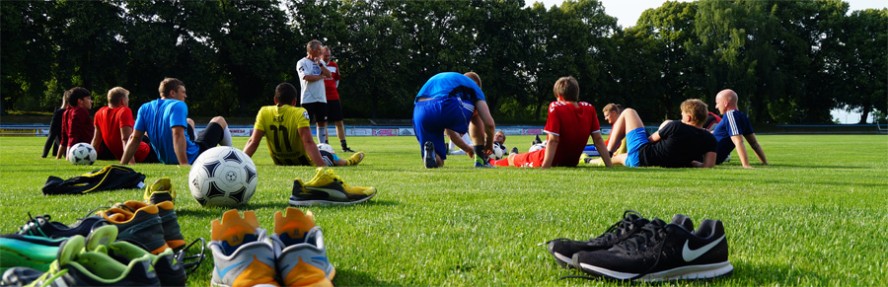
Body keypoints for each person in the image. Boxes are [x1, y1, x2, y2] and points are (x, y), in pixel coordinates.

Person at [491, 76, 612, 168]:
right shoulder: (589, 108)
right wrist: (609, 165)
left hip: (549, 159)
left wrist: (545, 167)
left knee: (513, 159)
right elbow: (598, 140)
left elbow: (553, 140)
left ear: (559, 96)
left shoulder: (556, 107)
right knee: (535, 149)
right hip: (572, 161)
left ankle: (492, 162)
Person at [243, 83, 363, 167]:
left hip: (279, 161)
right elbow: (308, 142)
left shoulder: (264, 112)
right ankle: (348, 162)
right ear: (294, 102)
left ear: (275, 100)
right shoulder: (300, 112)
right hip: (301, 160)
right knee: (325, 151)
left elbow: (253, 142)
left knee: (320, 147)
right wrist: (322, 168)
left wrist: (240, 160)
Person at [120, 78, 233, 165]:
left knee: (189, 122)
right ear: (172, 93)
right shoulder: (178, 105)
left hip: (165, 160)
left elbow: (134, 138)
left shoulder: (145, 107)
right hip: (194, 157)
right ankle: (234, 157)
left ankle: (192, 141)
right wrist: (184, 164)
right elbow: (177, 134)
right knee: (219, 120)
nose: (185, 95)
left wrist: (123, 164)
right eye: (182, 92)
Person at [413, 71, 496, 168]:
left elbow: (450, 132)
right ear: (477, 84)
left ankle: (432, 156)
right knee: (476, 111)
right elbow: (489, 124)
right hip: (446, 104)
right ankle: (480, 160)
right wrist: (489, 145)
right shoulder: (475, 88)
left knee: (439, 162)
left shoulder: (449, 81)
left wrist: (468, 149)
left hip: (419, 110)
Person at [606, 99, 717, 168]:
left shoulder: (675, 126)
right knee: (621, 158)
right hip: (644, 161)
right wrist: (695, 163)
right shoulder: (709, 139)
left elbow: (650, 140)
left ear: (688, 117)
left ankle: (608, 152)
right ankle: (594, 160)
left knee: (628, 112)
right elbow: (708, 165)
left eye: (682, 115)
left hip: (642, 157)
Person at [91, 87, 155, 163]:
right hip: (142, 153)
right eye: (127, 99)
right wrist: (130, 162)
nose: (128, 101)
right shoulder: (124, 111)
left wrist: (90, 158)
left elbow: (96, 140)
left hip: (120, 154)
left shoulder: (99, 113)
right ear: (122, 100)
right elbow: (126, 139)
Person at [712, 89, 768, 168]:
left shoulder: (730, 115)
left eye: (717, 103)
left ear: (725, 103)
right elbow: (754, 144)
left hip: (706, 157)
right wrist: (764, 162)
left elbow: (738, 141)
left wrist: (746, 165)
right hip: (713, 157)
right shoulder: (742, 116)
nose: (716, 106)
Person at [321, 46, 356, 152]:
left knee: (339, 122)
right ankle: (325, 146)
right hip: (322, 98)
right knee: (324, 123)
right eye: (325, 55)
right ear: (321, 54)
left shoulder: (334, 65)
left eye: (329, 55)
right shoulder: (317, 65)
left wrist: (332, 89)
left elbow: (337, 81)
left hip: (334, 97)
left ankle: (344, 146)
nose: (327, 57)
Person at [297, 39, 332, 145]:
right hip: (308, 99)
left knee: (321, 123)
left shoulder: (320, 62)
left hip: (321, 98)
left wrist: (320, 65)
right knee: (304, 124)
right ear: (311, 50)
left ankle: (322, 146)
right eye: (319, 50)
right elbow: (306, 77)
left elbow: (329, 75)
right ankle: (302, 146)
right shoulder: (301, 62)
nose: (320, 52)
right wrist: (320, 76)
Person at [57, 87, 94, 160]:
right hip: (86, 150)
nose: (91, 101)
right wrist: (68, 157)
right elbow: (72, 136)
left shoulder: (66, 112)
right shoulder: (80, 111)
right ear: (80, 101)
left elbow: (64, 139)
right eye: (88, 98)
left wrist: (58, 157)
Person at [42, 91, 69, 158]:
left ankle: (54, 153)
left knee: (55, 134)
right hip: (59, 115)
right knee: (54, 135)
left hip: (61, 137)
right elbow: (52, 135)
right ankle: (49, 154)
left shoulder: (63, 112)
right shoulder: (61, 113)